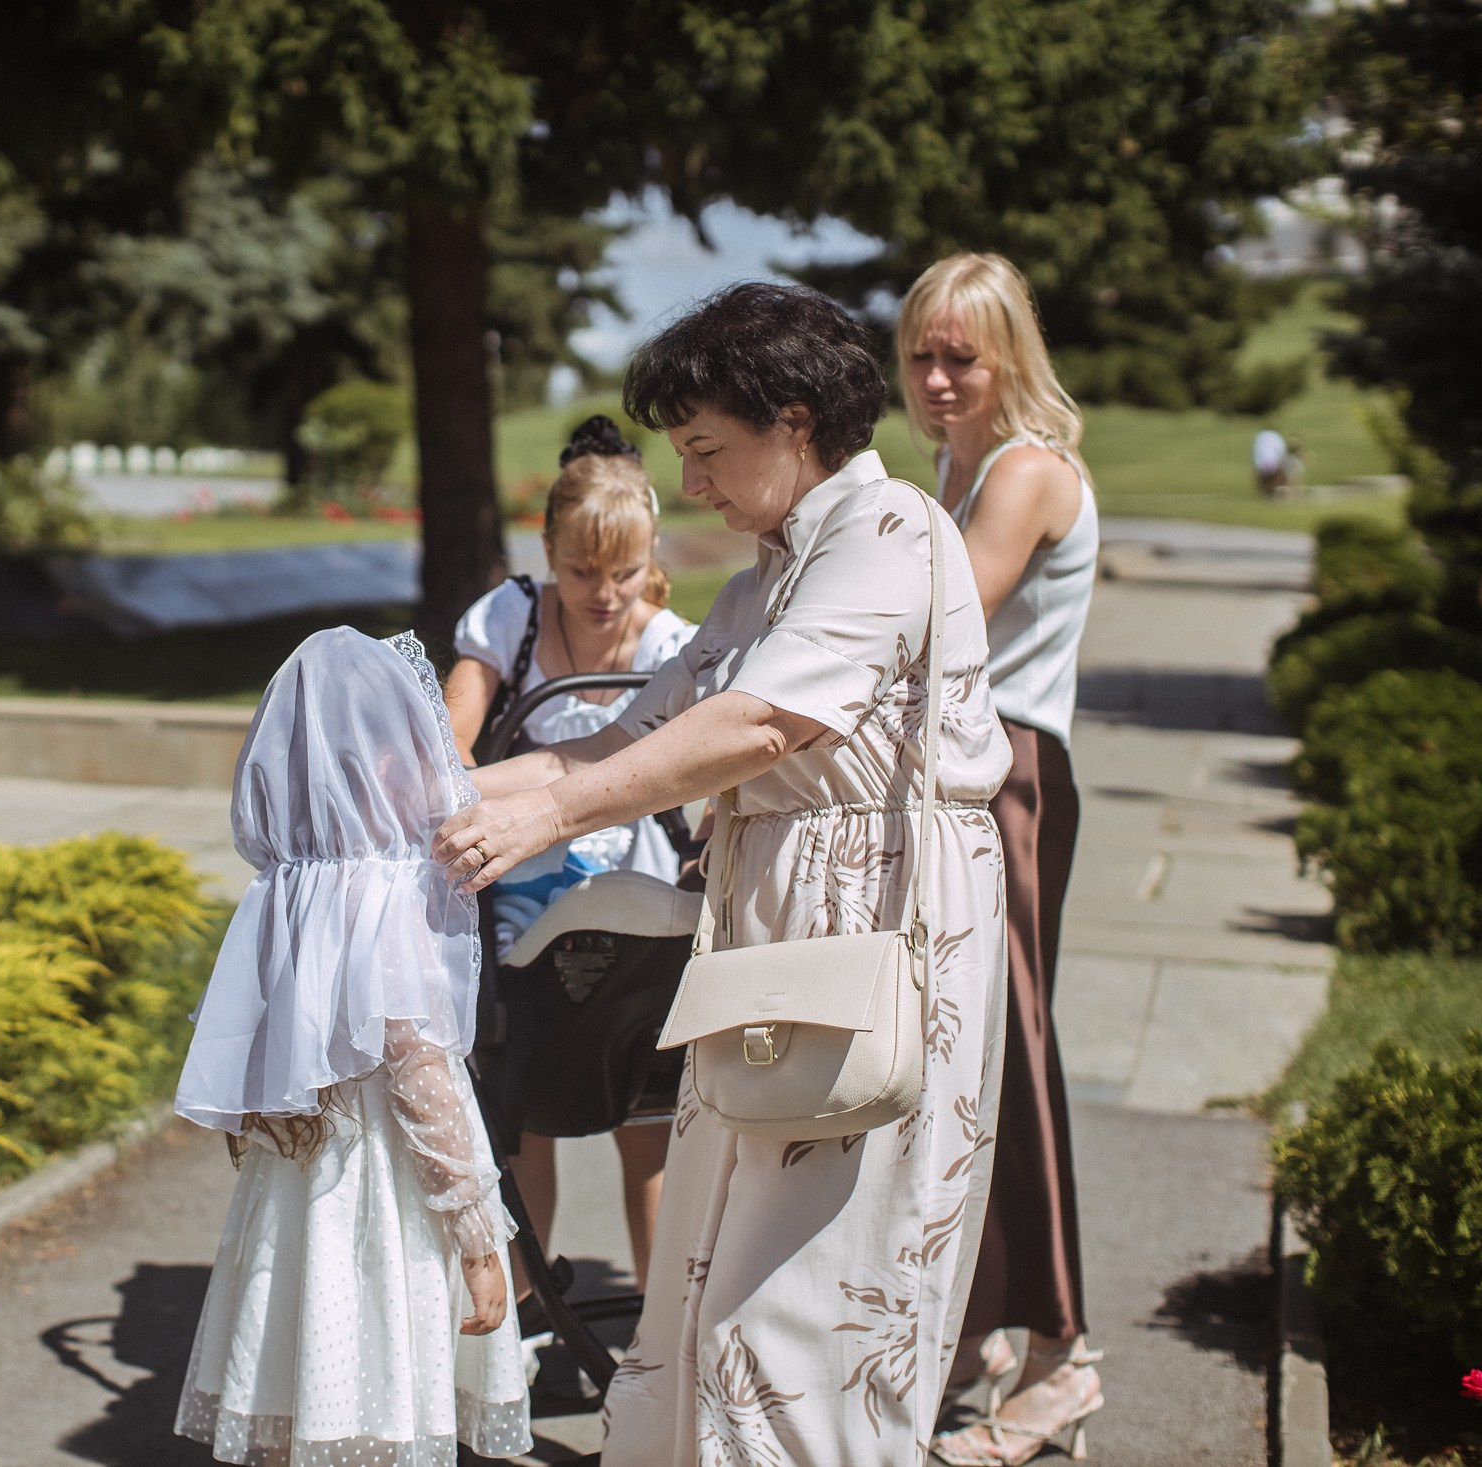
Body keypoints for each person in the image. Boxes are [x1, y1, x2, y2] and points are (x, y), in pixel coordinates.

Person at [432, 281, 1013, 1467]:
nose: (690, 486)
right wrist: (425, 797)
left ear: (792, 419)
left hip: (876, 929)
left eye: (704, 451)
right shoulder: (760, 579)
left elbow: (757, 727)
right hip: (771, 939)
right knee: (711, 1266)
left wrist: (548, 821)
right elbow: (617, 738)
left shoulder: (891, 529)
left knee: (810, 1301)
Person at [171, 627, 530, 1467]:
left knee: (301, 1369)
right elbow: (420, 1079)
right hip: (386, 1191)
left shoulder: (291, 888)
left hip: (298, 1185)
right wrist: (480, 1236)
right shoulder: (387, 894)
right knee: (377, 1376)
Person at [899, 252, 1102, 1466]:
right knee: (957, 1059)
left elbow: (940, 614)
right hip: (968, 771)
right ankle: (977, 1329)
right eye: (919, 355)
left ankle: (1062, 1353)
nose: (933, 378)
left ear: (1008, 356)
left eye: (959, 359)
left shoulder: (1022, 473)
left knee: (1012, 1053)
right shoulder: (958, 462)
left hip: (1013, 773)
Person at [442, 413, 694, 1291]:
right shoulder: (510, 620)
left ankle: (658, 1325)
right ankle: (521, 1305)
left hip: (632, 890)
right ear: (546, 548)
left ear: (649, 553)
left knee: (647, 1113)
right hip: (525, 896)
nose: (604, 593)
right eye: (581, 570)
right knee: (520, 1108)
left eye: (625, 572)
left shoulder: (669, 643)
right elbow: (453, 743)